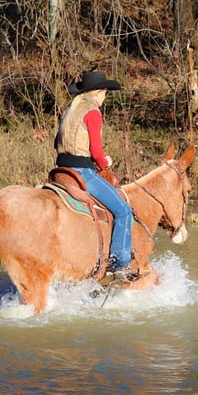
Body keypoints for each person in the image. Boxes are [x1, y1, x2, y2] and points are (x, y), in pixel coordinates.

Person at [54, 70, 137, 281]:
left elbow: (57, 142)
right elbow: (97, 152)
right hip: (82, 170)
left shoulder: (70, 108)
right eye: (105, 93)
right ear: (99, 92)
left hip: (60, 170)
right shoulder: (92, 111)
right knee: (124, 210)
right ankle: (120, 265)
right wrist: (105, 163)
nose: (104, 98)